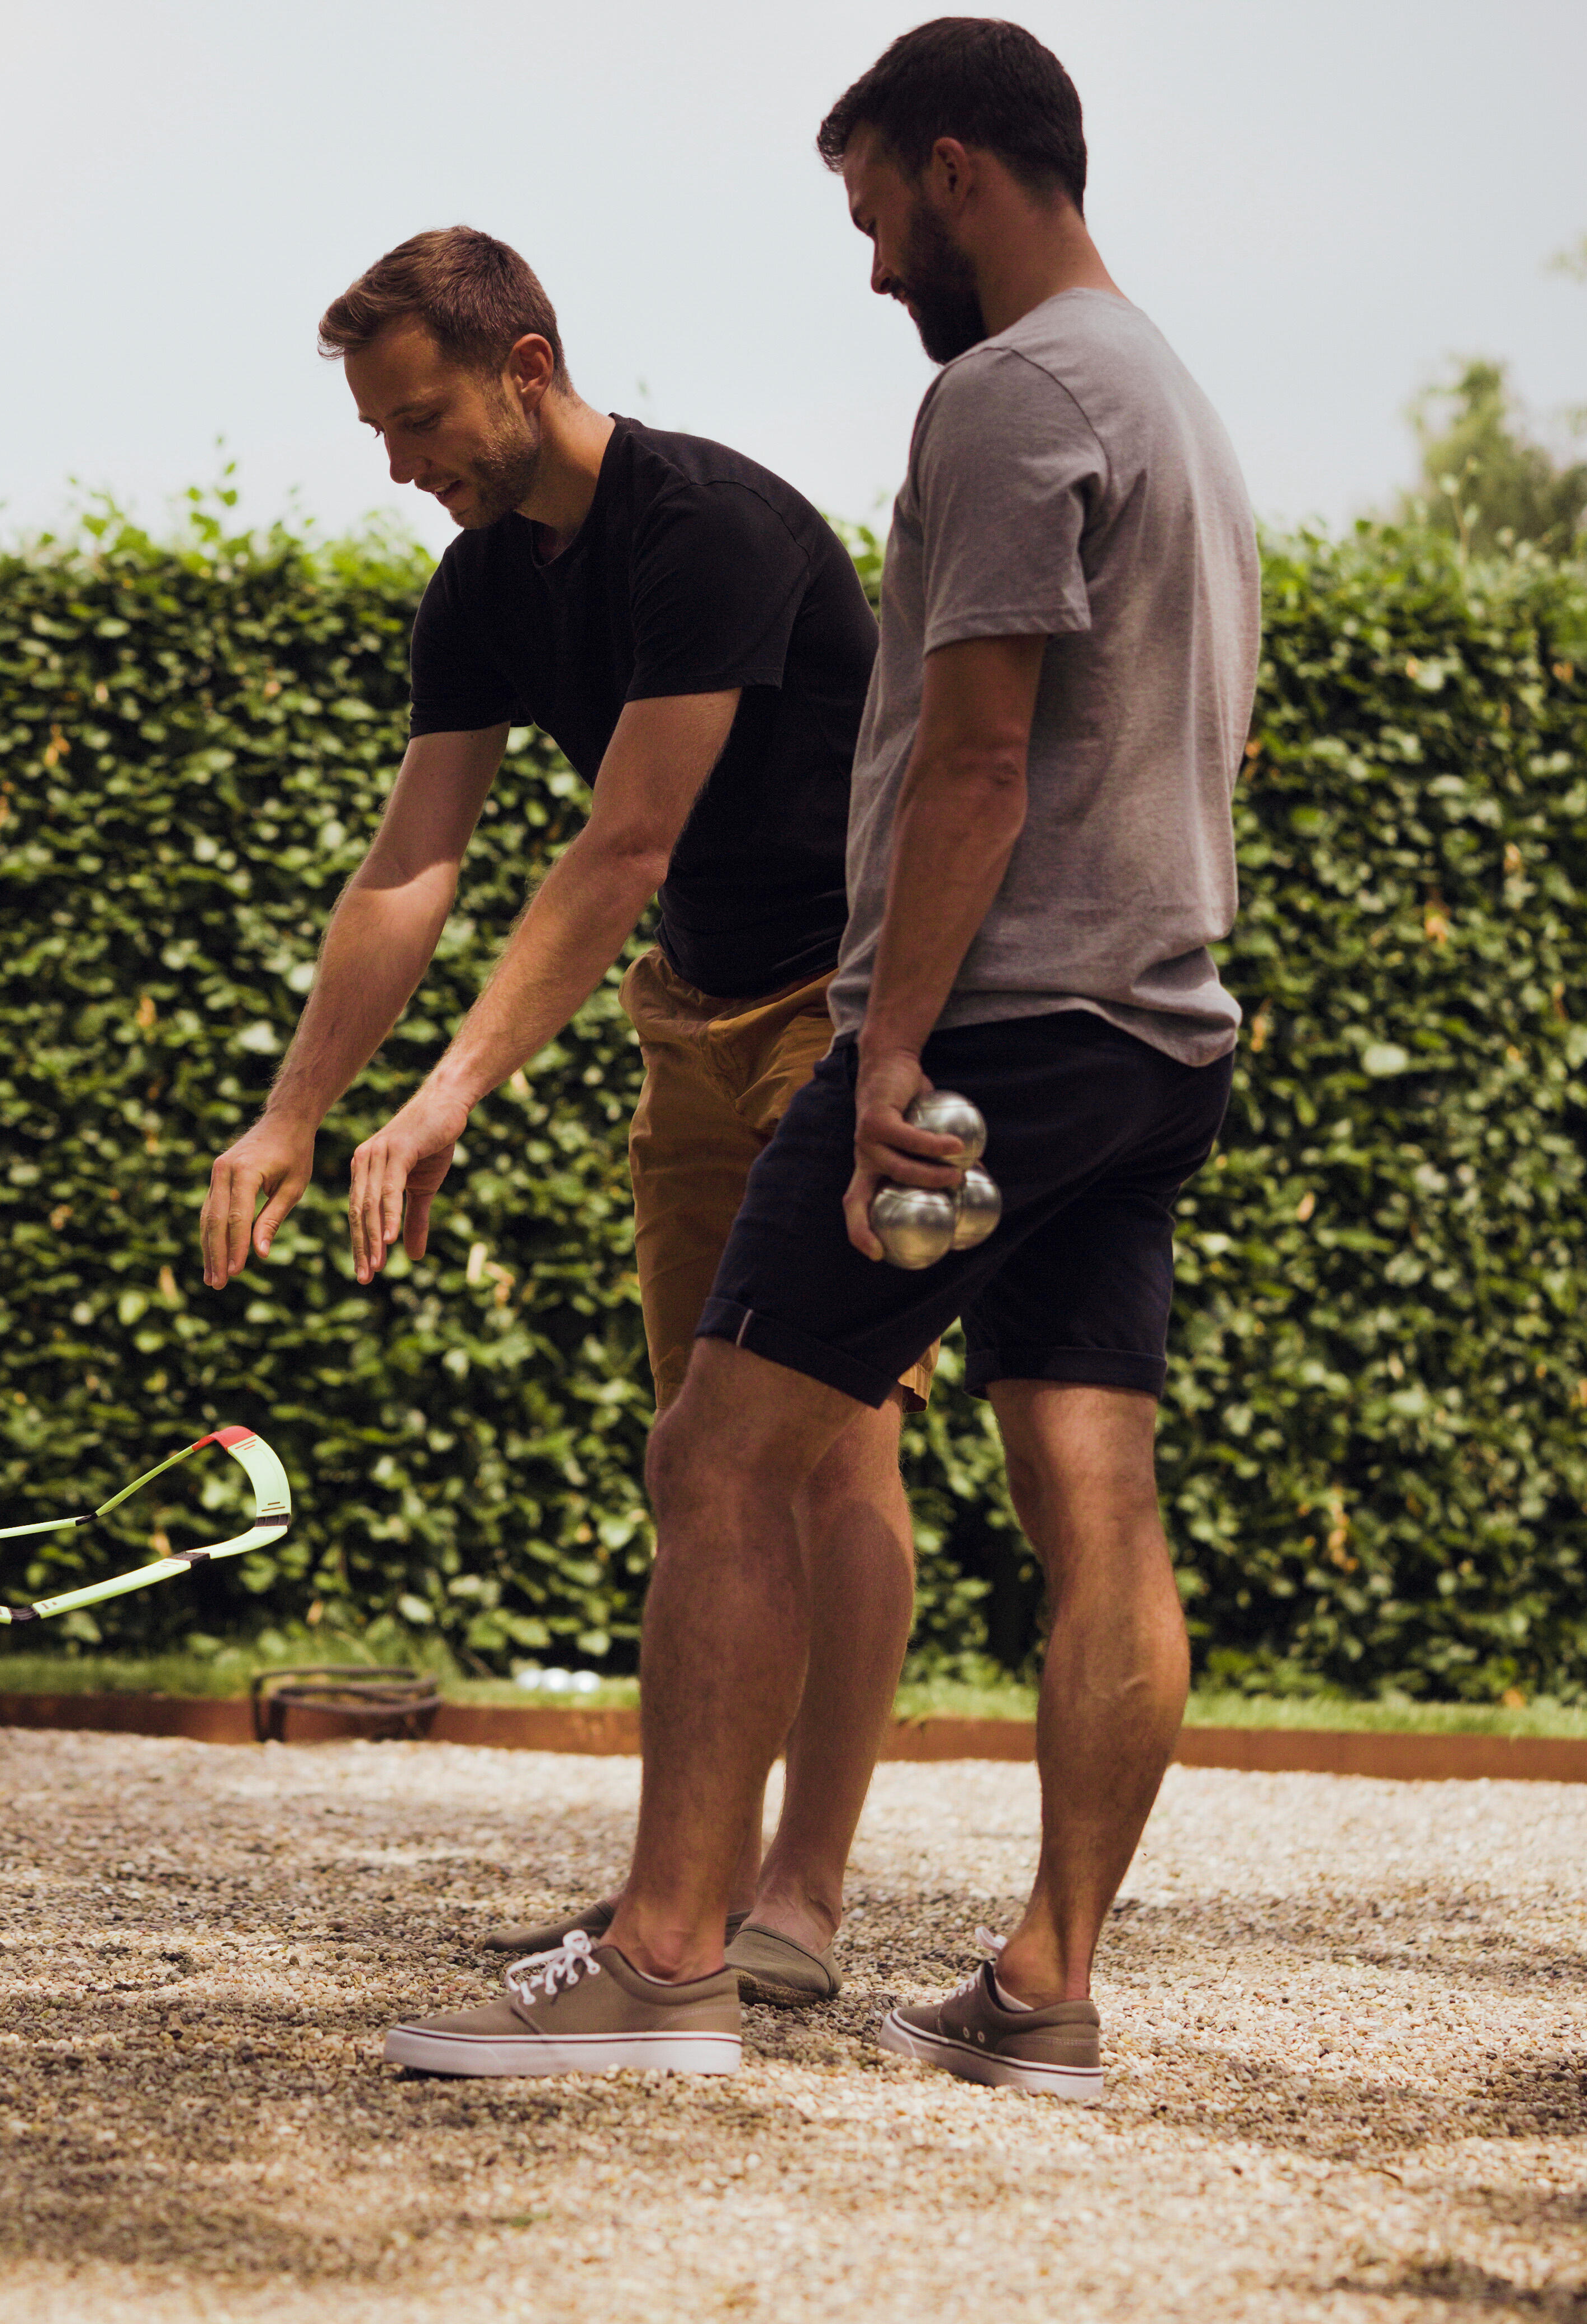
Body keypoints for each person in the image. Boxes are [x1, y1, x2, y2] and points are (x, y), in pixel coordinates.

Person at [382, 18, 1258, 2089]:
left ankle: (671, 1958)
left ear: (958, 169)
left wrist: (892, 1046)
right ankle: (1047, 1986)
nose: (871, 267)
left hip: (998, 1029)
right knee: (1091, 1487)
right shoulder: (1181, 402)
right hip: (1159, 1021)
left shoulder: (1009, 394)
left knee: (723, 1452)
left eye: (873, 211)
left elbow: (972, 759)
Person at [199, 226, 931, 2015]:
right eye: (378, 429)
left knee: (829, 1445)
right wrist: (298, 1111)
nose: (399, 463)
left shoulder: (712, 530)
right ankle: (674, 1887)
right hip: (692, 1026)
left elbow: (628, 841)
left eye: (421, 415)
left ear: (525, 364)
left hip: (851, 1018)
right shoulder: (483, 586)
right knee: (705, 1454)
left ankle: (803, 1896)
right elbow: (415, 858)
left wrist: (449, 1092)